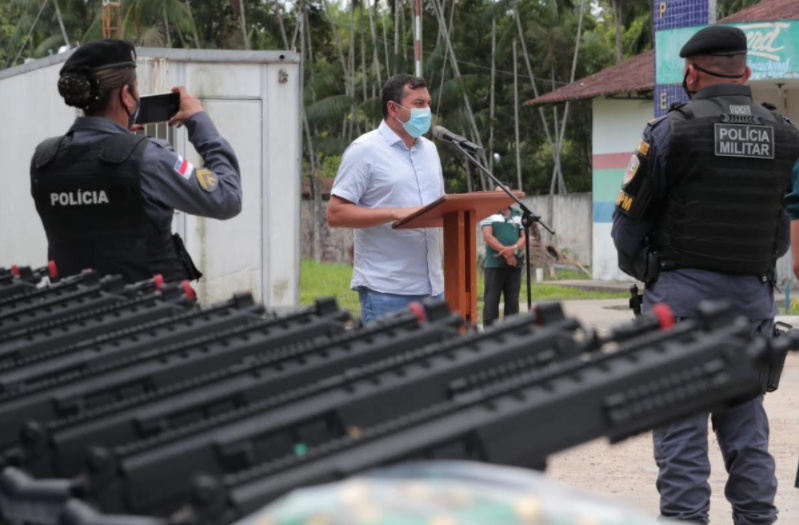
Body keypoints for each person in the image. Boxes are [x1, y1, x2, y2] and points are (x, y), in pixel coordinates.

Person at [611, 25, 799, 524]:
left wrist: (650, 274)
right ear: (748, 71)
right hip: (751, 302)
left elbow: (628, 226)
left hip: (680, 302)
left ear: (691, 73)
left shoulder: (671, 130)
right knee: (746, 428)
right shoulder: (786, 136)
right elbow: (781, 230)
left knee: (680, 429)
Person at [30, 39, 242, 284]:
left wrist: (123, 142)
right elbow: (228, 197)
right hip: (152, 316)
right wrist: (200, 122)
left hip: (78, 315)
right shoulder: (149, 158)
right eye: (137, 89)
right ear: (127, 96)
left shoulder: (44, 159)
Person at [327, 74, 445, 322]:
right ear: (393, 108)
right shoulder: (365, 150)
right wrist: (393, 213)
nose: (427, 111)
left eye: (428, 104)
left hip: (434, 288)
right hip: (387, 291)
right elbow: (336, 213)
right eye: (419, 104)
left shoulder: (430, 151)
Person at [481, 185, 524, 326]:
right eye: (499, 194)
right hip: (494, 265)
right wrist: (507, 253)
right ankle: (490, 336)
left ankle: (511, 335)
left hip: (514, 266)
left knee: (513, 303)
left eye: (505, 194)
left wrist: (514, 248)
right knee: (491, 303)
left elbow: (525, 237)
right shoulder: (488, 212)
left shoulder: (518, 214)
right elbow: (488, 236)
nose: (502, 197)